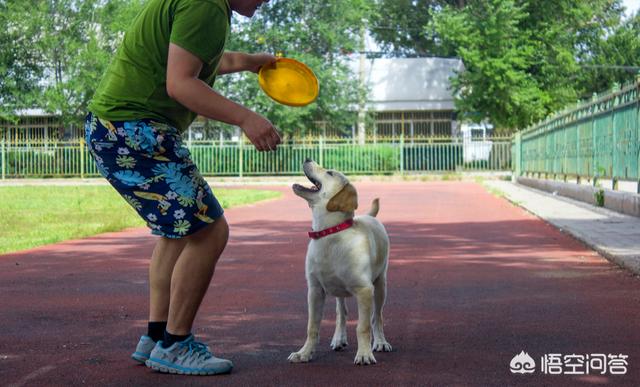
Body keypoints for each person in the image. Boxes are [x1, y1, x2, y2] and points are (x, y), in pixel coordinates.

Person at [85, 0, 280, 376]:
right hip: (135, 130)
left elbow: (205, 62)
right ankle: (175, 345)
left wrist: (251, 61)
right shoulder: (206, 5)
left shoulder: (203, 6)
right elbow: (181, 83)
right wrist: (246, 117)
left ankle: (156, 336)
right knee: (209, 231)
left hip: (116, 127)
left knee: (177, 234)